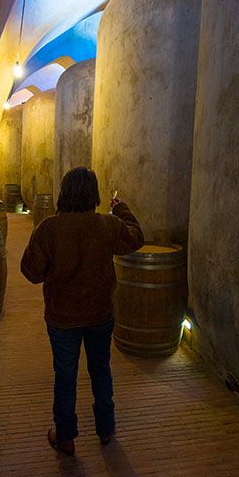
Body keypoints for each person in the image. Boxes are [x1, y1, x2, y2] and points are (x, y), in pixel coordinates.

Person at [20, 166, 144, 456]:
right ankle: (105, 429)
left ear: (65, 192)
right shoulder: (107, 225)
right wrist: (121, 209)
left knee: (65, 375)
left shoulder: (49, 228)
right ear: (94, 193)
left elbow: (31, 272)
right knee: (101, 369)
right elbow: (136, 237)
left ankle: (65, 436)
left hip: (62, 318)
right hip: (100, 313)